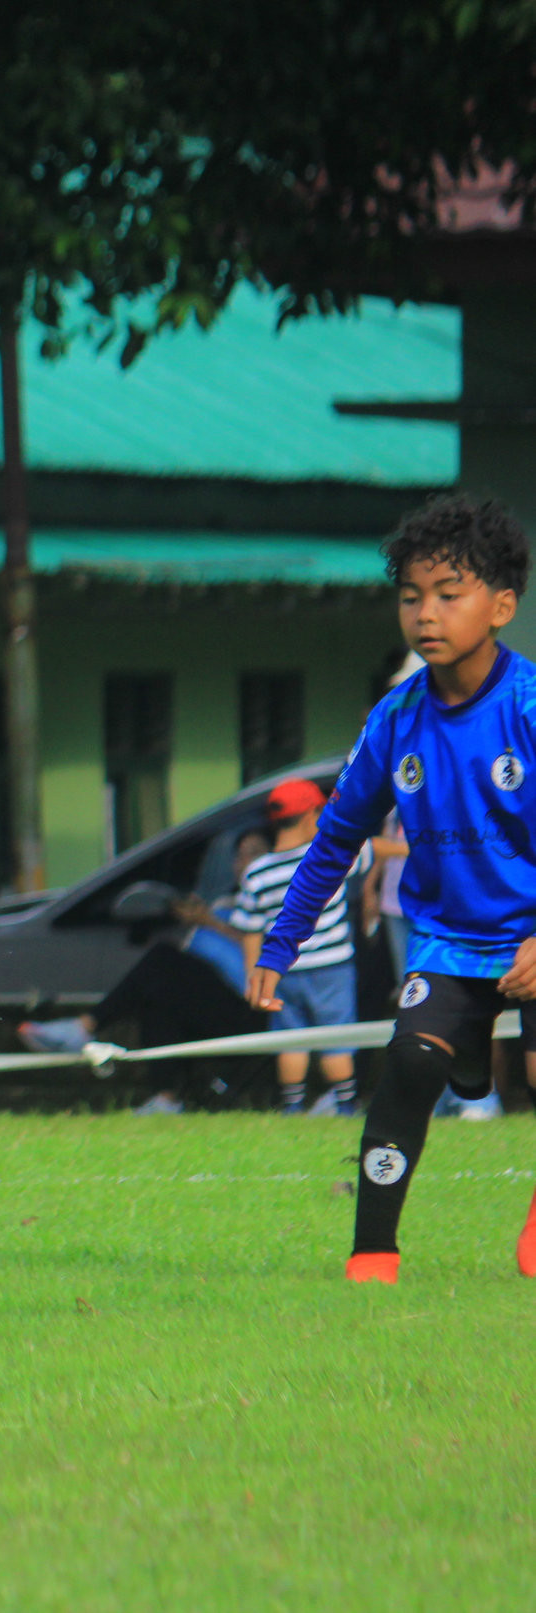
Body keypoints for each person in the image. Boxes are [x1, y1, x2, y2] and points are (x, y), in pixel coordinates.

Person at [248, 494, 536, 1283]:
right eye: (410, 596)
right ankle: (372, 1251)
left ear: (501, 605)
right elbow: (333, 839)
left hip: (533, 933)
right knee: (409, 1062)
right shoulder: (394, 719)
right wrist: (282, 940)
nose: (425, 613)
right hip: (446, 939)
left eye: (449, 593)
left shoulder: (528, 708)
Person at [17, 829, 272, 1113]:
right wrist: (196, 919)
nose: (244, 863)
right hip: (215, 997)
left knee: (161, 960)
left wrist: (211, 922)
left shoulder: (281, 902)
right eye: (239, 856)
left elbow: (269, 947)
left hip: (256, 1008)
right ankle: (165, 1098)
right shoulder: (225, 905)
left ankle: (84, 1027)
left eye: (254, 853)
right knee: (159, 989)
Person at [232, 779, 368, 1115]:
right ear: (312, 815)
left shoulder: (257, 872)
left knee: (290, 1040)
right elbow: (372, 851)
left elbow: (249, 930)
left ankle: (292, 1108)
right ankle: (345, 1105)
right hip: (332, 967)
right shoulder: (326, 857)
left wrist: (254, 976)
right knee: (336, 1040)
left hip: (284, 970)